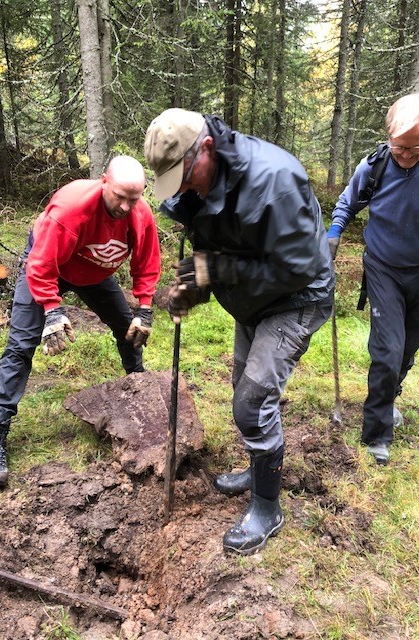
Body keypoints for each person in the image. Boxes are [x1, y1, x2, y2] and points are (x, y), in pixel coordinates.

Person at [144, 108, 334, 556]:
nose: (183, 186)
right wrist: (195, 286)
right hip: (252, 301)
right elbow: (214, 249)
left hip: (296, 298)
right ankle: (259, 468)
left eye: (184, 174)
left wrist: (214, 270)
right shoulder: (199, 186)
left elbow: (297, 266)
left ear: (206, 147)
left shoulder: (275, 179)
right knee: (244, 391)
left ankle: (267, 508)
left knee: (251, 401)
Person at [0, 155, 161, 488]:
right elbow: (41, 264)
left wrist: (145, 308)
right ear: (104, 181)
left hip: (93, 273)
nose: (124, 206)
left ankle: (141, 389)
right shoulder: (71, 209)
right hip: (49, 267)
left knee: (129, 330)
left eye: (133, 199)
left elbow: (147, 262)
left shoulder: (140, 214)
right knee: (21, 344)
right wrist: (52, 310)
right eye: (119, 195)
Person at [327, 92, 419, 466]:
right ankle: (377, 431)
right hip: (383, 267)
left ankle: (388, 400)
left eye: (414, 149)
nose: (404, 155)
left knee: (408, 348)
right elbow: (347, 203)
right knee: (386, 352)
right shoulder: (375, 166)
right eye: (398, 147)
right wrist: (334, 234)